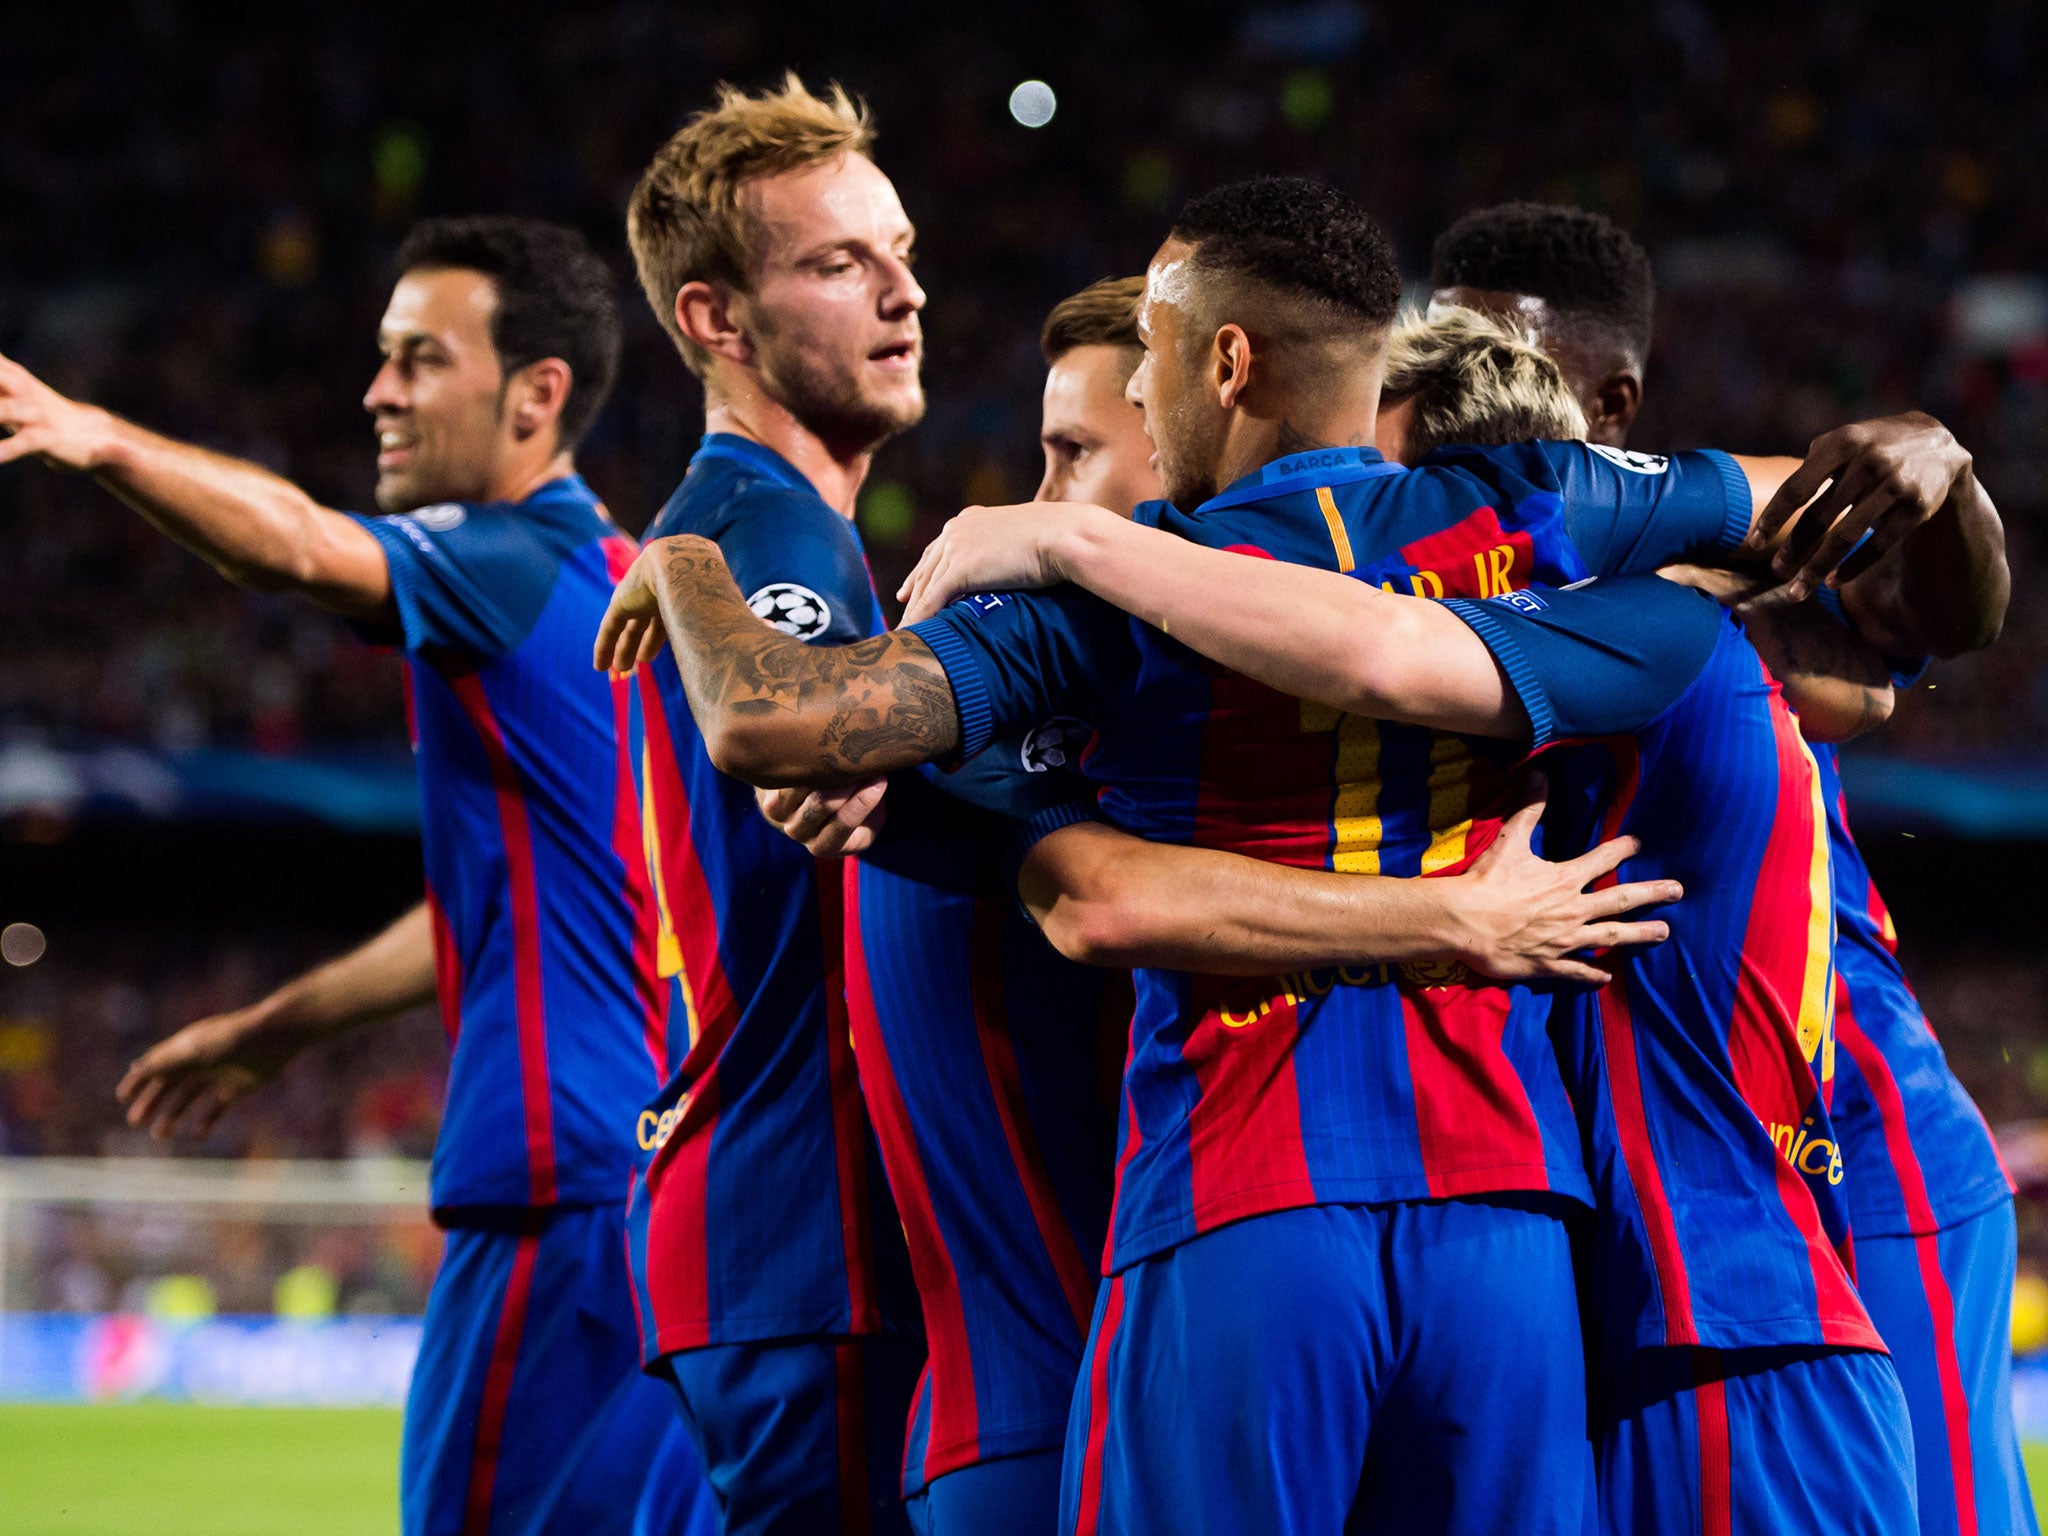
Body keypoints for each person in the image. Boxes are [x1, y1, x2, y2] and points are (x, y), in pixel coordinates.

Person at [599, 177, 1990, 1533]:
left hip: (1239, 1203)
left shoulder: (1102, 596)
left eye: (1143, 364)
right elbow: (1856, 540)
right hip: (1513, 1231)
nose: (1138, 401)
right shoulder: (1545, 519)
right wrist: (1934, 448)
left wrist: (686, 569)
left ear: (1224, 361)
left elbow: (780, 725)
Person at [0, 217, 711, 1535]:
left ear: (535, 396)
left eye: (418, 360)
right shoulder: (631, 602)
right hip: (661, 1197)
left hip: (552, 1189)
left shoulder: (505, 559)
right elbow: (514, 911)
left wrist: (101, 439)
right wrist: (279, 1029)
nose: (377, 392)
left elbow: (298, 545)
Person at [1433, 201, 2031, 1536]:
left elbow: (1939, 620)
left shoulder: (1701, 551)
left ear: (1616, 399)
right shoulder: (1439, 552)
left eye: (1511, 365)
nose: (1481, 397)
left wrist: (1949, 478)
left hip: (1851, 1140)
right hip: (1669, 1176)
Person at [616, 75, 927, 1536]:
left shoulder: (736, 528)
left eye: (902, 253)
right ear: (714, 320)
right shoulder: (761, 533)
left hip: (751, 1226)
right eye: (838, 263)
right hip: (806, 1225)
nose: (903, 294)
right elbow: (831, 782)